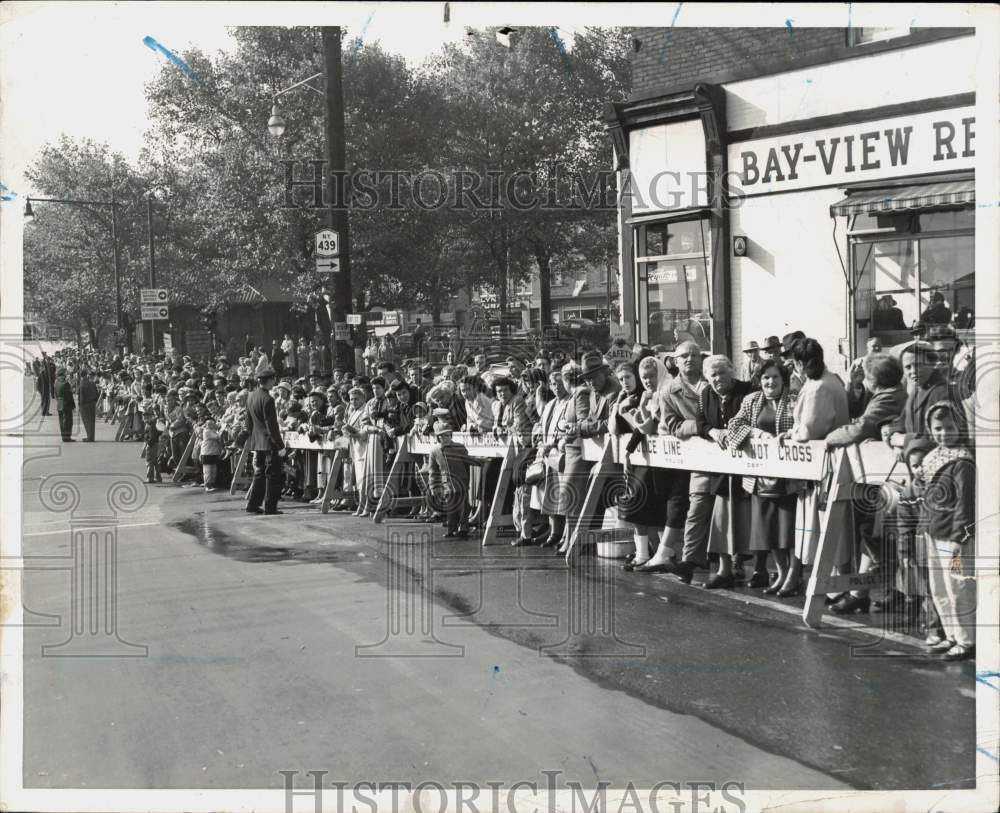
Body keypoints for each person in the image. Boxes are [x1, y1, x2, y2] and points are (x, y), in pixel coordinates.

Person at [825, 353, 907, 615]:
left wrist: (831, 437)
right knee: (874, 534)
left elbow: (861, 428)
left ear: (875, 379)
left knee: (872, 533)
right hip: (887, 477)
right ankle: (873, 592)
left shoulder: (888, 397)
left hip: (884, 479)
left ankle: (867, 591)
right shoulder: (893, 394)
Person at [778, 338, 850, 595]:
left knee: (829, 527)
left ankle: (836, 588)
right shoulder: (829, 381)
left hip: (825, 466)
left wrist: (793, 432)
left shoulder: (819, 386)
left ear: (798, 362)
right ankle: (835, 586)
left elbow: (809, 430)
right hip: (827, 463)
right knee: (831, 526)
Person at [905, 401, 976, 660]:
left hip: (953, 537)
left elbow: (964, 504)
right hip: (934, 531)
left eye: (949, 427)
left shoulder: (962, 462)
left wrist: (961, 536)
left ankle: (967, 639)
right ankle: (951, 634)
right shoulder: (932, 457)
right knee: (939, 587)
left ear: (960, 427)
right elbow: (924, 494)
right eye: (938, 428)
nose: (944, 433)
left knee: (958, 587)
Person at [728, 358, 799, 594]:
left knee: (788, 529)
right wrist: (756, 433)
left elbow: (804, 425)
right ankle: (780, 572)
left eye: (775, 377)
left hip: (789, 477)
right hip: (761, 477)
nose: (770, 382)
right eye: (766, 377)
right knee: (769, 529)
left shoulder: (794, 399)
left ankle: (794, 575)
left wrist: (789, 435)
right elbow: (734, 425)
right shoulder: (751, 400)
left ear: (783, 379)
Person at [634, 341, 704, 576]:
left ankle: (678, 555)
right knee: (676, 502)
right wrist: (702, 427)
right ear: (675, 361)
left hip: (709, 453)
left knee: (695, 506)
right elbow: (668, 424)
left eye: (695, 355)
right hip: (679, 453)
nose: (690, 359)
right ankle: (666, 553)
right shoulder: (668, 391)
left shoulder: (709, 385)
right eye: (684, 356)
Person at [241, 364, 286, 515]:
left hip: (257, 441)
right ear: (270, 380)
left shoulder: (251, 396)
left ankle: (253, 504)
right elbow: (271, 426)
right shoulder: (268, 399)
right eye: (273, 380)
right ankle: (270, 507)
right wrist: (280, 445)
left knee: (259, 474)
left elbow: (248, 423)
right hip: (269, 443)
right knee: (272, 475)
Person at [427, 420, 472, 539]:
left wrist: (466, 480)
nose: (446, 438)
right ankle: (451, 529)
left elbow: (467, 465)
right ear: (438, 437)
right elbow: (433, 471)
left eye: (448, 435)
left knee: (463, 507)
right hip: (446, 484)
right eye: (442, 436)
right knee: (451, 507)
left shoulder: (460, 447)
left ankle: (463, 529)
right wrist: (434, 487)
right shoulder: (434, 451)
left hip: (461, 482)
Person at [55, 367, 76, 442]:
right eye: (65, 373)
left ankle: (63, 436)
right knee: (68, 421)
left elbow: (55, 394)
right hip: (66, 404)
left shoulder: (56, 382)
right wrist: (73, 405)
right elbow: (69, 396)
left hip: (59, 403)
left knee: (61, 421)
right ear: (63, 374)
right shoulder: (65, 383)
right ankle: (67, 437)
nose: (66, 374)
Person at [77, 369, 99, 441]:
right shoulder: (92, 383)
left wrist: (79, 405)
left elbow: (81, 396)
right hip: (92, 403)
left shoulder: (81, 384)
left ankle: (89, 437)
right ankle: (91, 436)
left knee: (87, 421)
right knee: (92, 421)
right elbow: (97, 394)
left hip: (84, 404)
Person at [142, 410, 162, 483]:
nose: (145, 420)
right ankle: (158, 477)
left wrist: (148, 444)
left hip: (152, 444)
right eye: (144, 418)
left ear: (151, 417)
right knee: (155, 461)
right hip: (155, 444)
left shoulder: (151, 425)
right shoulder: (150, 424)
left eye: (147, 418)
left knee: (149, 461)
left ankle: (150, 478)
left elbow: (152, 437)